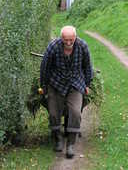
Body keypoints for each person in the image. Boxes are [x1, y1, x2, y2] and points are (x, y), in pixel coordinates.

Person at [40, 25, 93, 158]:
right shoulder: (53, 47)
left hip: (76, 83)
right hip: (56, 83)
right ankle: (58, 139)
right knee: (53, 113)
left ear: (75, 37)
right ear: (61, 37)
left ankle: (70, 144)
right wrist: (44, 85)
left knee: (75, 112)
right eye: (65, 40)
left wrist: (87, 84)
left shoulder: (82, 46)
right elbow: (45, 67)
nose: (68, 43)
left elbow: (88, 66)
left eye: (71, 39)